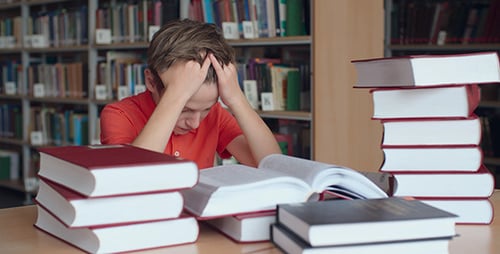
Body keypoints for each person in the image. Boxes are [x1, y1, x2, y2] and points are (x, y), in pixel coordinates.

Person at [100, 19, 281, 169]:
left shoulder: (215, 115)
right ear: (151, 82)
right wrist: (177, 96)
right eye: (185, 109)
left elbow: (272, 165)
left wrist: (237, 99)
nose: (194, 123)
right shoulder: (119, 115)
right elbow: (132, 178)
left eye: (205, 110)